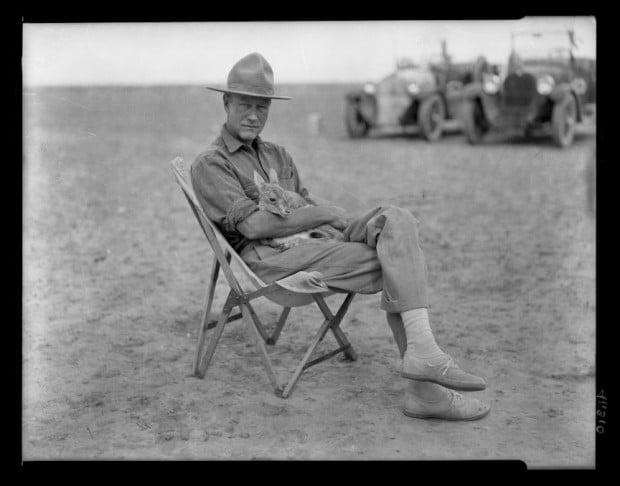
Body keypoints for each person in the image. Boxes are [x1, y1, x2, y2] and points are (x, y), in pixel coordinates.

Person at [191, 52, 490, 421]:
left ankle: (423, 359)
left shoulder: (275, 153)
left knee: (396, 221)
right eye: (244, 105)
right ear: (226, 102)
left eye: (262, 106)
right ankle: (425, 383)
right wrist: (328, 215)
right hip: (267, 262)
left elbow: (306, 203)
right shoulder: (211, 162)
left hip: (313, 241)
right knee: (396, 260)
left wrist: (342, 223)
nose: (254, 115)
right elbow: (255, 227)